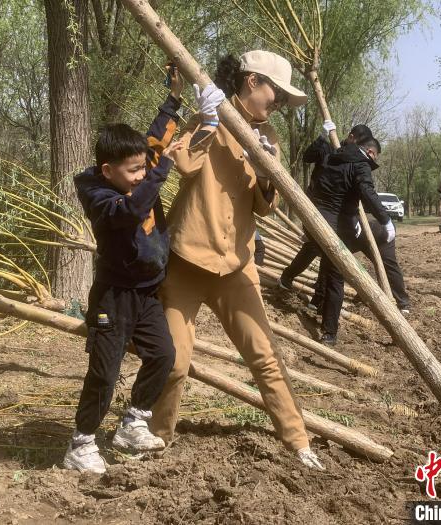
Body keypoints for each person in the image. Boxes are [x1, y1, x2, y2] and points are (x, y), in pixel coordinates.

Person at [150, 50, 324, 470]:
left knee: (264, 355)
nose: (278, 104)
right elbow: (185, 162)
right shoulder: (210, 115)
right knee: (174, 362)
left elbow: (265, 206)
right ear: (252, 82)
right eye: (275, 93)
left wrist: (266, 170)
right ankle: (156, 438)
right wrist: (210, 120)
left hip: (236, 266)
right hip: (188, 260)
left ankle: (297, 441)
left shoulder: (270, 140)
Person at [63, 69, 184, 473]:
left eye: (142, 169)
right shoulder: (98, 195)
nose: (139, 177)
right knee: (104, 371)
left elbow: (155, 139)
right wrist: (160, 173)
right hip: (113, 297)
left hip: (147, 293)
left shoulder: (137, 170)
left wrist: (175, 97)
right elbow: (132, 210)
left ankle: (134, 422)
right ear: (107, 169)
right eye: (132, 172)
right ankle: (80, 445)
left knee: (164, 355)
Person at [280, 134, 393, 346]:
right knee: (335, 276)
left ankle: (296, 286)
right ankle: (329, 332)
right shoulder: (360, 165)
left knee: (313, 250)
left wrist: (319, 140)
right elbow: (367, 193)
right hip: (333, 228)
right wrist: (385, 220)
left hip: (312, 219)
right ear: (369, 152)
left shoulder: (331, 154)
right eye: (374, 156)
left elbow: (311, 163)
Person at [309, 218, 411, 314]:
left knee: (331, 258)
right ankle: (403, 303)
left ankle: (319, 298)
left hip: (361, 226)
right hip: (380, 225)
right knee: (389, 265)